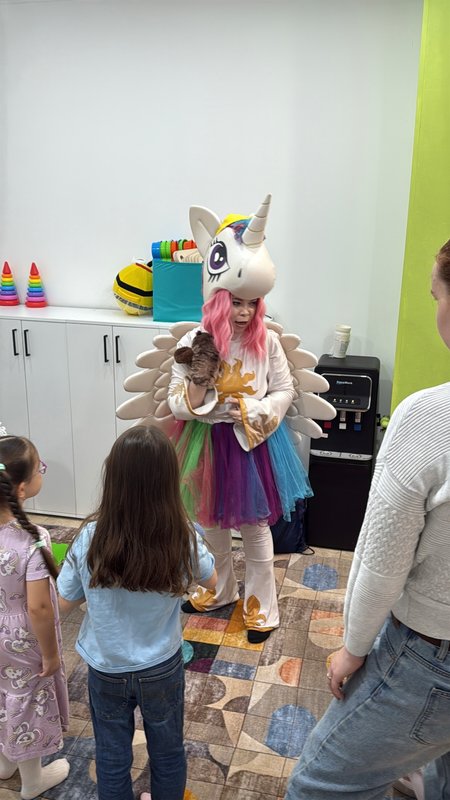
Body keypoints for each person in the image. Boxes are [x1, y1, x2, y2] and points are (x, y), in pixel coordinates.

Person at [284, 238, 450, 800]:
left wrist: (352, 648)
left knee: (317, 784)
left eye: (436, 296)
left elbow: (381, 563)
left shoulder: (429, 418)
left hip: (431, 653)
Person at [168, 199, 314, 645]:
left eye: (253, 303)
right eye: (236, 302)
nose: (245, 312)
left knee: (254, 528)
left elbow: (284, 390)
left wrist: (254, 410)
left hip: (251, 444)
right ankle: (221, 590)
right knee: (210, 525)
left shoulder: (266, 342)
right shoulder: (194, 340)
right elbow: (176, 402)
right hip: (206, 443)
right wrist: (203, 384)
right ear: (218, 298)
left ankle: (262, 606)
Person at [57, 425, 216, 800]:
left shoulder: (90, 536)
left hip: (106, 666)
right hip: (161, 665)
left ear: (113, 478)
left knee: (112, 754)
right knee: (168, 751)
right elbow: (212, 581)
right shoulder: (181, 535)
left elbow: (62, 602)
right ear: (168, 481)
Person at [0, 435, 70, 800]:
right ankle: (32, 782)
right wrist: (51, 654)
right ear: (23, 488)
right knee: (27, 701)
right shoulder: (34, 538)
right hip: (21, 640)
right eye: (40, 467)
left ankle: (4, 762)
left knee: (3, 695)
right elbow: (39, 608)